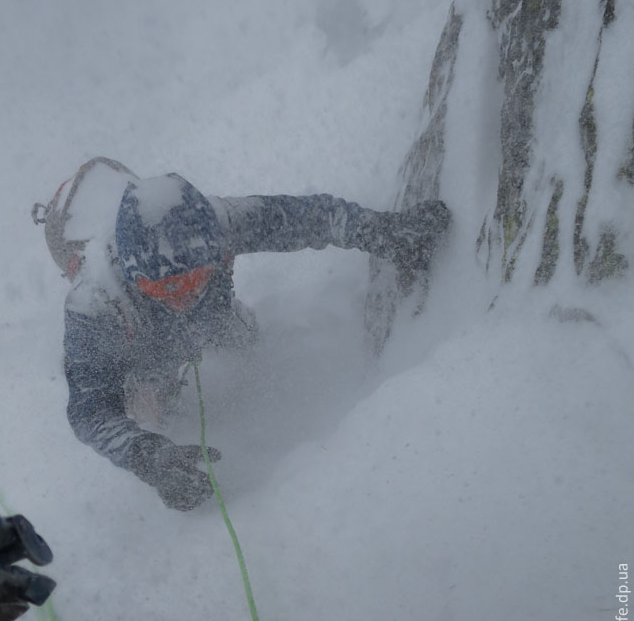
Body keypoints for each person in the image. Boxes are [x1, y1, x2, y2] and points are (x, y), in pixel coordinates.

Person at [62, 172, 450, 511]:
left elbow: (309, 218)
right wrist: (147, 456)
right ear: (132, 278)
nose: (180, 296)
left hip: (217, 320)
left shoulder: (217, 224)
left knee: (246, 339)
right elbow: (91, 413)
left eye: (194, 278)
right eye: (157, 287)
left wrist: (380, 231)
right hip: (143, 362)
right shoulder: (95, 306)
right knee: (160, 412)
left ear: (213, 251)